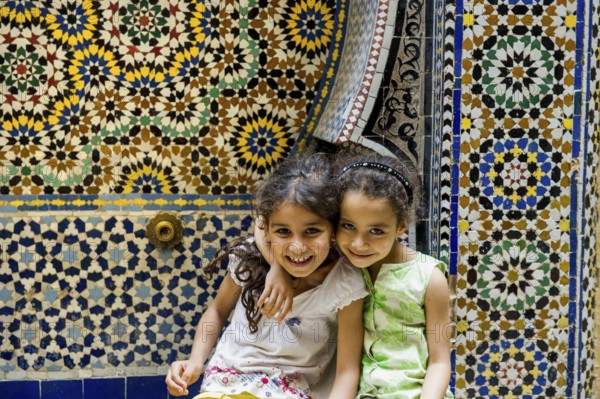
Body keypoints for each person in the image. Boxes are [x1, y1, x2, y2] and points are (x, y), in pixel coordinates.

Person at [165, 153, 368, 399]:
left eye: (312, 231)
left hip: (292, 391)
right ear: (267, 230)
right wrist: (196, 360)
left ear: (333, 230)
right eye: (283, 231)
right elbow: (217, 311)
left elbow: (347, 370)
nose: (297, 247)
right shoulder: (250, 259)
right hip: (225, 385)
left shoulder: (344, 284)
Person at [258, 150, 453, 399]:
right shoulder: (337, 263)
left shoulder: (429, 278)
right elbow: (261, 220)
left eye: (376, 231)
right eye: (348, 226)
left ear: (402, 225)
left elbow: (440, 361)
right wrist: (278, 268)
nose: (359, 244)